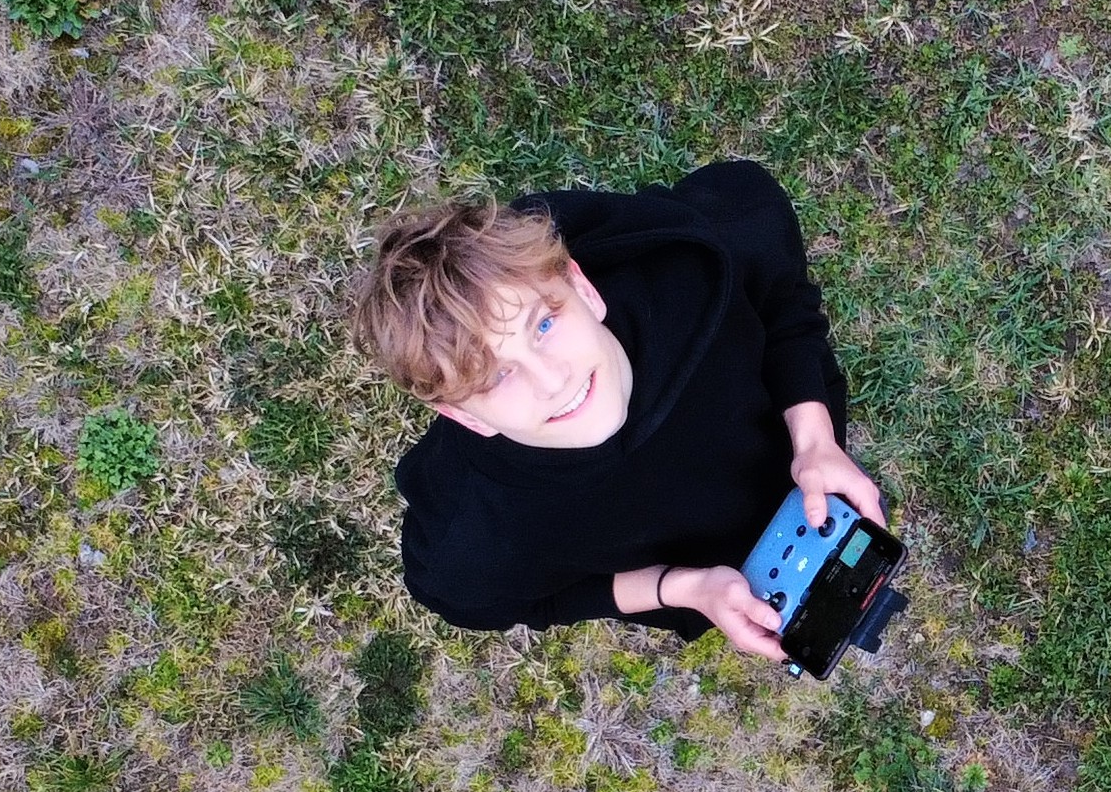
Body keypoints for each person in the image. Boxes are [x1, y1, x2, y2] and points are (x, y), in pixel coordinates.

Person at [351, 159, 883, 661]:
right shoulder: (478, 529)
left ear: (583, 288)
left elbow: (779, 294)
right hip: (711, 560)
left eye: (543, 325)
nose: (553, 380)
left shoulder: (688, 270)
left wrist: (814, 438)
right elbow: (486, 600)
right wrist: (683, 587)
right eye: (494, 377)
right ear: (464, 417)